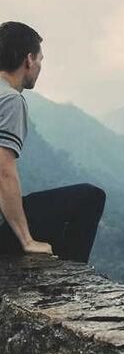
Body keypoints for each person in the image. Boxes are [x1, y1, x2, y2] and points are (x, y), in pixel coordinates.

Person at [0, 21, 105, 263]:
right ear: (29, 59)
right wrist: (27, 240)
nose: (40, 67)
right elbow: (3, 171)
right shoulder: (10, 100)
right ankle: (72, 275)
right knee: (90, 196)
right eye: (40, 59)